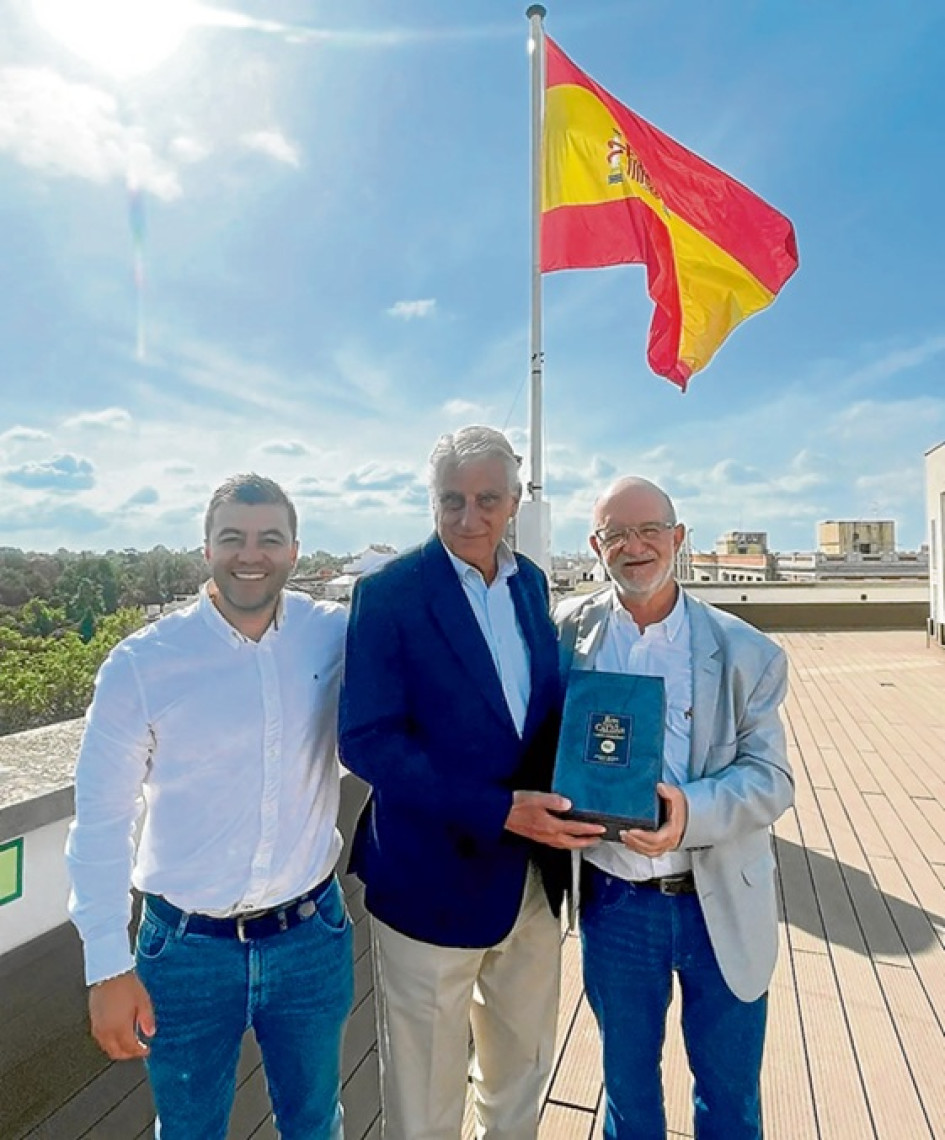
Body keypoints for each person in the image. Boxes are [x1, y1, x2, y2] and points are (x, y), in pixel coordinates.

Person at [65, 473, 353, 1140]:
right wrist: (108, 962)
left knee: (314, 1123)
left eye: (268, 540)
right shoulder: (143, 663)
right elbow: (102, 815)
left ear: (294, 551)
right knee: (190, 1130)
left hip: (310, 936)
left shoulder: (333, 634)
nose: (249, 554)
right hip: (186, 950)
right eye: (232, 538)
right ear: (206, 549)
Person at [339, 426, 603, 1140]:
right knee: (424, 1098)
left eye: (487, 498)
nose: (468, 516)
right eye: (450, 499)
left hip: (531, 884)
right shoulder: (388, 595)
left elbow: (534, 715)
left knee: (520, 1072)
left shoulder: (532, 584)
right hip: (429, 883)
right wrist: (498, 811)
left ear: (514, 501)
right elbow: (367, 739)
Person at [555, 476, 794, 1140]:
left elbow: (770, 780)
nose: (634, 547)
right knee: (627, 1099)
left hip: (718, 902)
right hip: (614, 903)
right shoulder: (565, 631)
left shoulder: (745, 649)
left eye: (649, 530)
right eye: (616, 534)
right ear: (595, 545)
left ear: (678, 538)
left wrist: (689, 811)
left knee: (728, 1103)